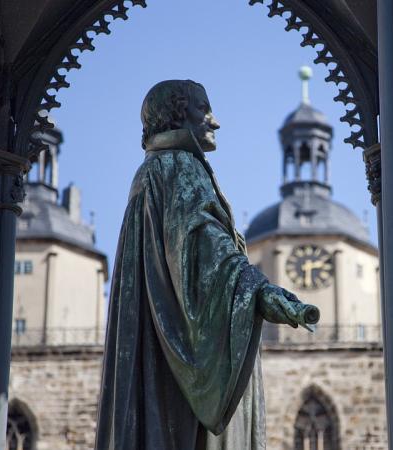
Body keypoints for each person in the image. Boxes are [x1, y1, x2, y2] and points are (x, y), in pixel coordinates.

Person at [95, 79, 319, 450]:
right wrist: (260, 291)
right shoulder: (181, 167)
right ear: (179, 115)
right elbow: (203, 248)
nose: (214, 121)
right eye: (204, 109)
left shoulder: (151, 171)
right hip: (186, 373)